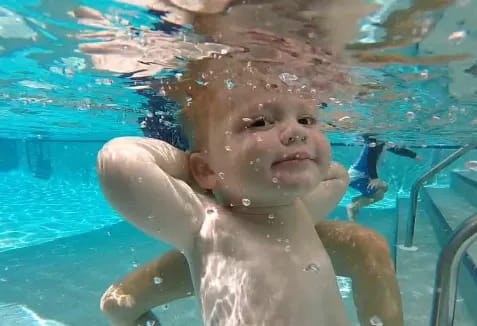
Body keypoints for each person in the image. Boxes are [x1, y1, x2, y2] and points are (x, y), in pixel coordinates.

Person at [97, 56, 403, 326]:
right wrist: (200, 167)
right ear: (204, 170)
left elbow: (335, 176)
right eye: (259, 122)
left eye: (306, 119)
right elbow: (119, 161)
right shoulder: (207, 224)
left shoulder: (299, 208)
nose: (296, 131)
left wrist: (224, 166)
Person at [347, 134, 424, 220]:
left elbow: (397, 150)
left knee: (385, 187)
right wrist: (374, 178)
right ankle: (353, 207)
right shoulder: (373, 143)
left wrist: (414, 155)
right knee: (379, 195)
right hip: (357, 177)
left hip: (364, 175)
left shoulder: (382, 143)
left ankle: (358, 201)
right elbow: (370, 159)